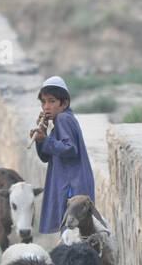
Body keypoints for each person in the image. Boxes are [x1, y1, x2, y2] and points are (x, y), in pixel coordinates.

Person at [31, 75, 95, 235]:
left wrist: (45, 140)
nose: (46, 107)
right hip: (71, 184)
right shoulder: (59, 121)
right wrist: (42, 135)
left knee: (71, 233)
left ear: (64, 103)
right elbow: (46, 157)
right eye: (43, 102)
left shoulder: (63, 119)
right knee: (73, 233)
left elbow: (70, 149)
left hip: (72, 187)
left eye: (52, 101)